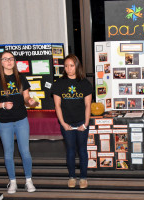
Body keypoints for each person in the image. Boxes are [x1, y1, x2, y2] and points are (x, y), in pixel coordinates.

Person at [0, 51, 38, 194]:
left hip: (21, 119)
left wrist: (30, 101)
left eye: (11, 59)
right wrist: (2, 105)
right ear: (1, 62)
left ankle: (28, 181)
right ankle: (13, 182)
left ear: (14, 61)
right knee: (8, 153)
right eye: (5, 59)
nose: (9, 61)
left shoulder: (21, 78)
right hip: (4, 122)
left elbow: (26, 98)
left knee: (25, 152)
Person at [52, 54, 92, 189]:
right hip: (66, 123)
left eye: (71, 65)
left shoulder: (85, 83)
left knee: (82, 150)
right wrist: (63, 123)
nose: (69, 69)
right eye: (66, 66)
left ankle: (83, 177)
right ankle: (71, 176)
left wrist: (85, 124)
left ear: (77, 66)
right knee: (70, 150)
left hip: (82, 122)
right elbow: (57, 106)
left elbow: (88, 105)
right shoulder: (59, 84)